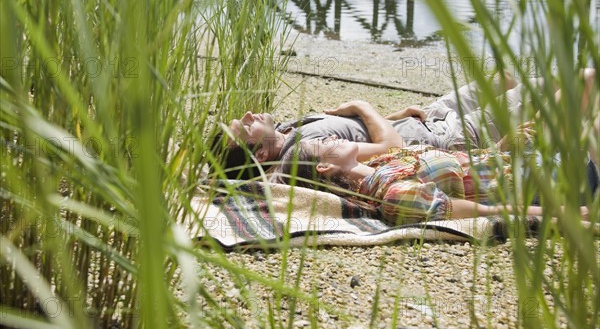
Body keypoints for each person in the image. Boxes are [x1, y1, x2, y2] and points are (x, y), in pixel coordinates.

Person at [273, 99, 595, 224]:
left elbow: (464, 167)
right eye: (324, 142)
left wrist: (499, 149)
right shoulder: (395, 197)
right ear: (324, 168)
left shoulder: (384, 163)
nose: (333, 137)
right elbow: (488, 212)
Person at [213, 71, 531, 179]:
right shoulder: (307, 151)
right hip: (446, 138)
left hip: (423, 118)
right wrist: (362, 106)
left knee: (503, 78)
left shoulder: (288, 130)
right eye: (244, 127)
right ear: (261, 157)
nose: (248, 116)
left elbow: (357, 132)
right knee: (551, 93)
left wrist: (393, 115)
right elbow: (392, 150)